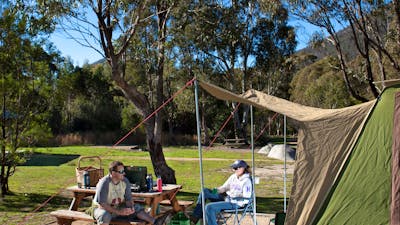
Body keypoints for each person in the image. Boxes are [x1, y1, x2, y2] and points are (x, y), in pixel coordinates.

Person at [92, 161, 168, 225]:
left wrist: (130, 208)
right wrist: (119, 212)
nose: (124, 173)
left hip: (117, 207)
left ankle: (155, 222)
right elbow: (102, 205)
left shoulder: (125, 181)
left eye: (123, 171)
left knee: (136, 207)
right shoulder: (104, 182)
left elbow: (128, 199)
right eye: (121, 172)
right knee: (105, 215)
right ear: (113, 173)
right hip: (100, 208)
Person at [190, 160, 253, 225]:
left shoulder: (246, 181)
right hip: (226, 198)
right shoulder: (233, 177)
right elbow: (225, 187)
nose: (234, 170)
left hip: (235, 203)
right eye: (233, 168)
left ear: (243, 168)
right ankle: (195, 218)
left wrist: (233, 196)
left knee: (209, 207)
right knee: (205, 191)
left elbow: (246, 198)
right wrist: (216, 190)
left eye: (235, 168)